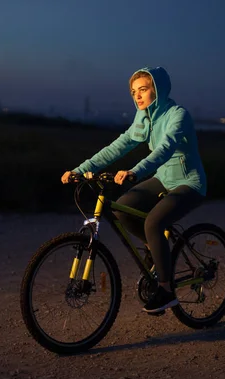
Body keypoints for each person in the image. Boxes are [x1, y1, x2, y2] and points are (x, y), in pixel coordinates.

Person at [61, 66, 207, 314]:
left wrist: (135, 171)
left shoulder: (177, 115)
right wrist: (79, 169)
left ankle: (166, 290)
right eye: (133, 92)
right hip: (162, 179)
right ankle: (156, 249)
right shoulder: (144, 118)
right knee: (123, 210)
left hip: (188, 183)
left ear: (158, 90)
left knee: (153, 223)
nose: (137, 96)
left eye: (144, 89)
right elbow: (118, 146)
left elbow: (165, 149)